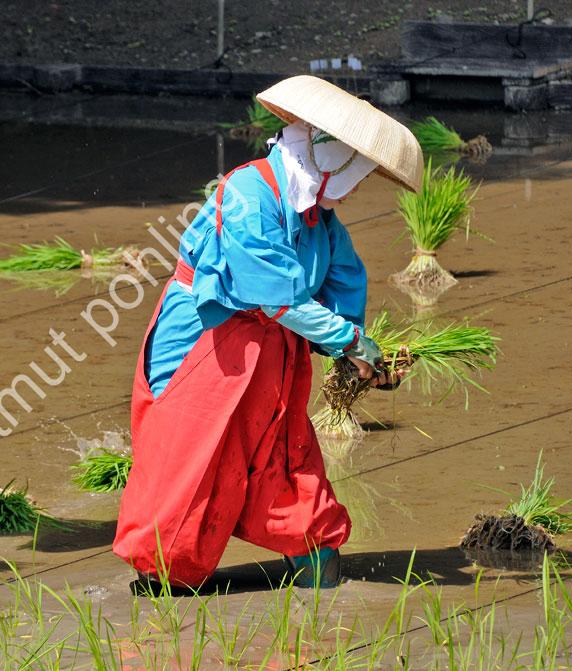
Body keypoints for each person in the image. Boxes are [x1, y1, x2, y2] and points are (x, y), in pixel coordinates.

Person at [112, 75, 422, 588]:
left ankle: (312, 555)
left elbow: (345, 283)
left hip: (273, 353)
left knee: (281, 451)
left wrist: (359, 352)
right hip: (202, 344)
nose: (357, 190)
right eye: (357, 177)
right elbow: (276, 296)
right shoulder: (248, 193)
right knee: (187, 461)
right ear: (331, 161)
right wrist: (347, 342)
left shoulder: (320, 220)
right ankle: (166, 576)